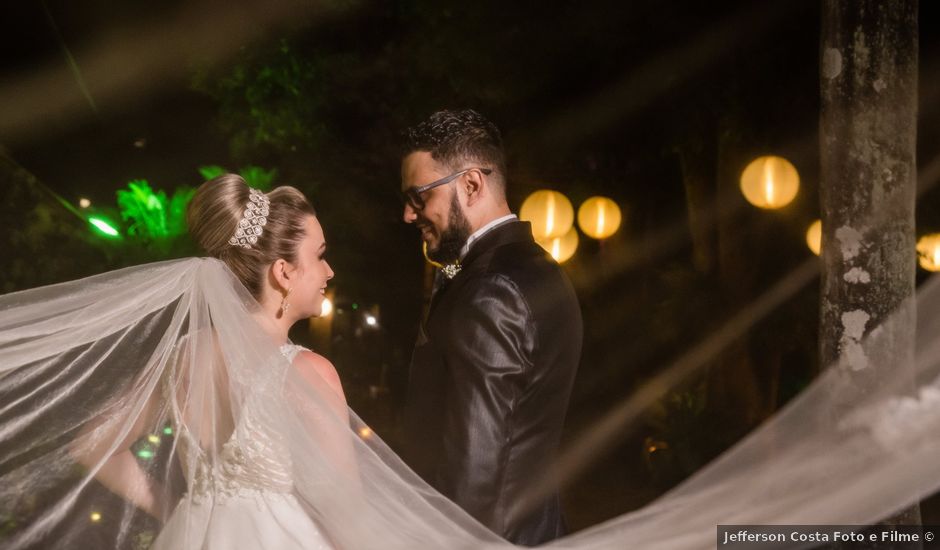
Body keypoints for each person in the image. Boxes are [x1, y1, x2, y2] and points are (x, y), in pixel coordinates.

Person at [4, 174, 940, 550]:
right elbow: (346, 514)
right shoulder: (302, 376)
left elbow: (96, 440)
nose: (331, 270)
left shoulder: (185, 358)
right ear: (281, 271)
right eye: (321, 256)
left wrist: (177, 506)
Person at [399, 109, 583, 546]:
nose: (408, 215)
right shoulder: (540, 270)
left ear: (472, 184)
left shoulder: (491, 292)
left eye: (417, 197)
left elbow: (475, 473)